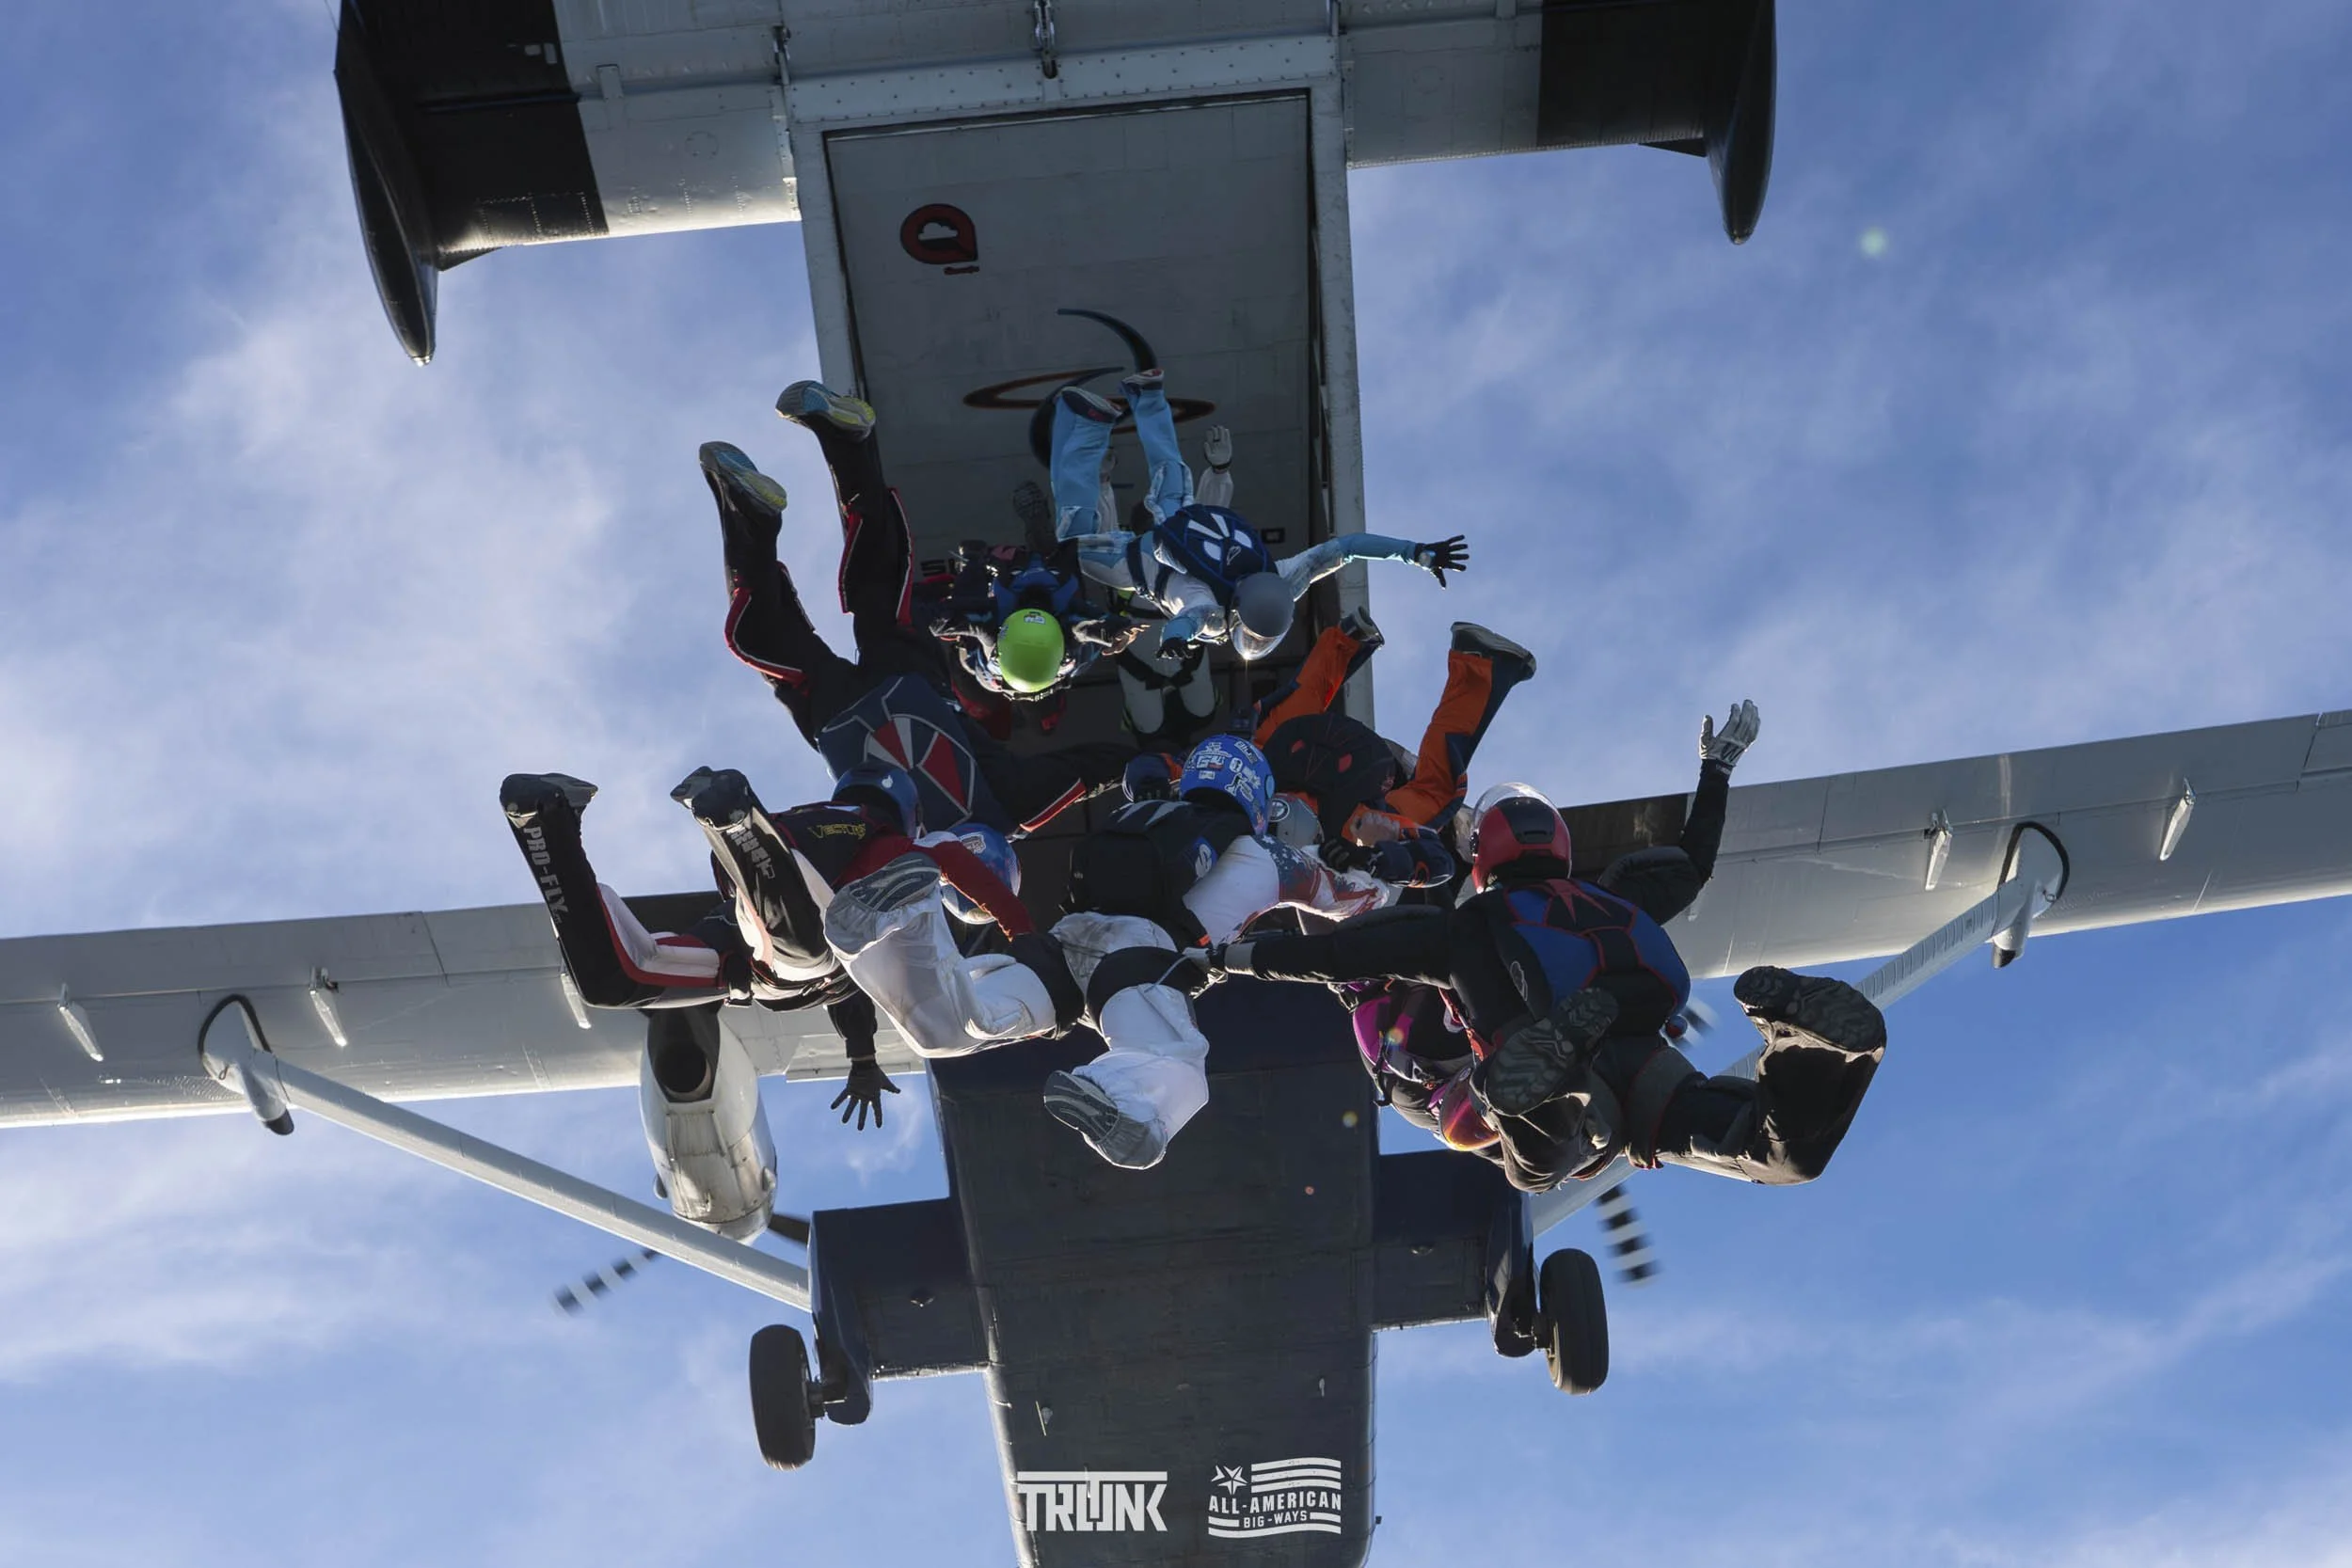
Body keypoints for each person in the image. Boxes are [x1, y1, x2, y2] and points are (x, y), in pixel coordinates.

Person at [1207, 704, 1890, 1193]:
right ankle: (1815, 1055)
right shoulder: (1611, 903)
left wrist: (1225, 959)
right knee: (1770, 1148)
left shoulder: (1465, 926)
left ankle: (1545, 1086)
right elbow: (1692, 862)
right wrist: (1716, 770)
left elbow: (1332, 958)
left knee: (1537, 1155)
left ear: (1483, 854)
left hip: (1510, 1070)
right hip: (1639, 1054)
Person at [498, 763, 1082, 1130]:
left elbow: (849, 995)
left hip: (745, 946)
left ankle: (546, 823)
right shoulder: (898, 843)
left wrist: (860, 1057)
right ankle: (734, 820)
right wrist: (1022, 932)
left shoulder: (818, 818)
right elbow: (957, 863)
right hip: (786, 933)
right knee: (812, 953)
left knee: (616, 981)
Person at [704, 380, 1134, 837]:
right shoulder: (989, 824)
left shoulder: (1005, 817)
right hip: (857, 718)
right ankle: (762, 506)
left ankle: (817, 465)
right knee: (784, 629)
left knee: (870, 592)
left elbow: (1090, 770)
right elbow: (1091, 771)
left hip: (898, 698)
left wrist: (1176, 764)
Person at [1037, 735, 1391, 1171]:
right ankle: (1118, 1102)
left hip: (1081, 932)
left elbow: (1144, 770)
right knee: (1182, 1065)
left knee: (995, 1008)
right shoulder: (1275, 857)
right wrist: (1372, 867)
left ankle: (965, 994)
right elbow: (1360, 899)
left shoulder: (1157, 816)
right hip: (1147, 956)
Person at [1049, 369, 1470, 662]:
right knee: (1071, 540)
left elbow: (1348, 548)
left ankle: (1149, 394)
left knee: (1170, 467)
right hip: (1132, 562)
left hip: (1185, 522)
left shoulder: (1287, 578)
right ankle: (1086, 423)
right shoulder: (1211, 610)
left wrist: (1415, 552)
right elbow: (1187, 623)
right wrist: (1174, 642)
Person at [1248, 609, 1536, 887]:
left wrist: (1373, 859)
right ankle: (1349, 636)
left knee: (1434, 792)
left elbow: (1434, 856)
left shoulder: (1353, 826)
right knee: (1277, 728)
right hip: (1280, 759)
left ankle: (1481, 665)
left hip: (1338, 791)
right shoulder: (1245, 784)